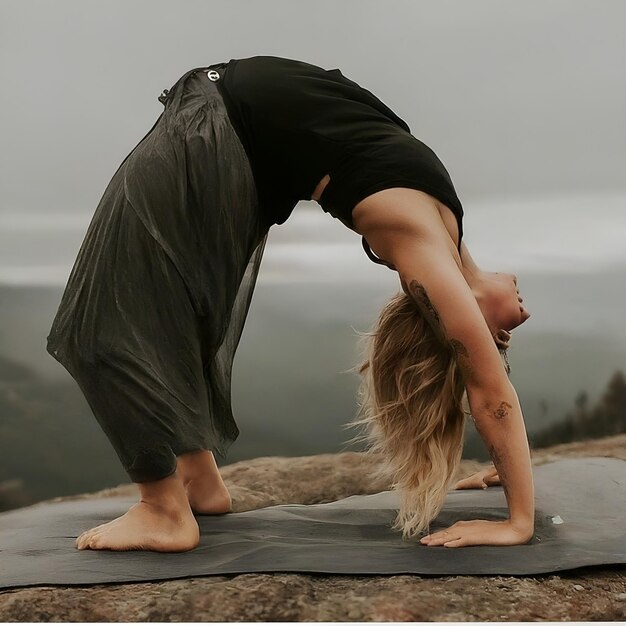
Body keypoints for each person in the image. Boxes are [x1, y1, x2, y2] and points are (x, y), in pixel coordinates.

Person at [46, 55, 532, 553]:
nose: (522, 317)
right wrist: (508, 467)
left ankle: (164, 511)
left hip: (214, 132)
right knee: (182, 310)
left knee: (97, 329)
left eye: (499, 339)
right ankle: (197, 480)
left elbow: (489, 392)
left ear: (464, 317)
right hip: (237, 150)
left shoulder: (423, 249)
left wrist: (518, 522)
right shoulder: (447, 229)